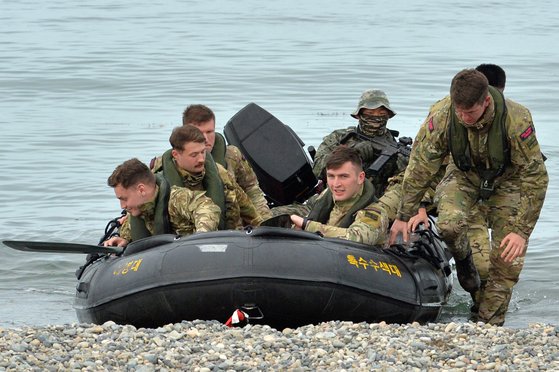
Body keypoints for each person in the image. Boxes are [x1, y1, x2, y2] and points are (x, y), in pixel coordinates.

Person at [389, 69, 548, 325]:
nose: (464, 118)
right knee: (450, 225)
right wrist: (404, 214)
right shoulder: (442, 115)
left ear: (486, 101)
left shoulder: (516, 120)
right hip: (463, 175)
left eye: (470, 112)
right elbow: (420, 167)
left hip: (507, 182)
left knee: (506, 263)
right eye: (459, 111)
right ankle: (465, 267)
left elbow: (536, 178)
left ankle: (488, 324)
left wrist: (521, 231)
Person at [153, 125, 263, 230]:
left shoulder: (220, 174)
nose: (201, 159)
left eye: (203, 152)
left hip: (229, 239)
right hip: (183, 244)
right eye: (194, 155)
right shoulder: (160, 185)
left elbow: (248, 210)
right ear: (176, 155)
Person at [312, 89, 410, 198]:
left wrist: (404, 168)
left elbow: (410, 185)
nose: (376, 118)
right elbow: (317, 169)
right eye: (370, 113)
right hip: (335, 198)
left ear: (388, 116)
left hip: (376, 203)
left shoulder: (396, 146)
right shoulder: (340, 137)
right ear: (359, 115)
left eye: (382, 114)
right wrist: (351, 153)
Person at [103, 158, 221, 247]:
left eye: (124, 199)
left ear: (141, 190)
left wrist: (201, 236)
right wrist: (123, 240)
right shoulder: (135, 214)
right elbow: (127, 235)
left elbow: (207, 208)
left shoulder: (177, 199)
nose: (123, 206)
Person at [182, 104, 272, 219]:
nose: (205, 138)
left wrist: (265, 222)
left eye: (209, 132)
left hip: (235, 223)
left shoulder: (231, 155)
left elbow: (252, 191)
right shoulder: (172, 161)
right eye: (199, 132)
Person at [290, 146, 388, 245]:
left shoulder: (375, 212)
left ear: (360, 178)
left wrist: (307, 225)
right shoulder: (328, 195)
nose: (336, 184)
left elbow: (357, 238)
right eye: (331, 176)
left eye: (343, 176)